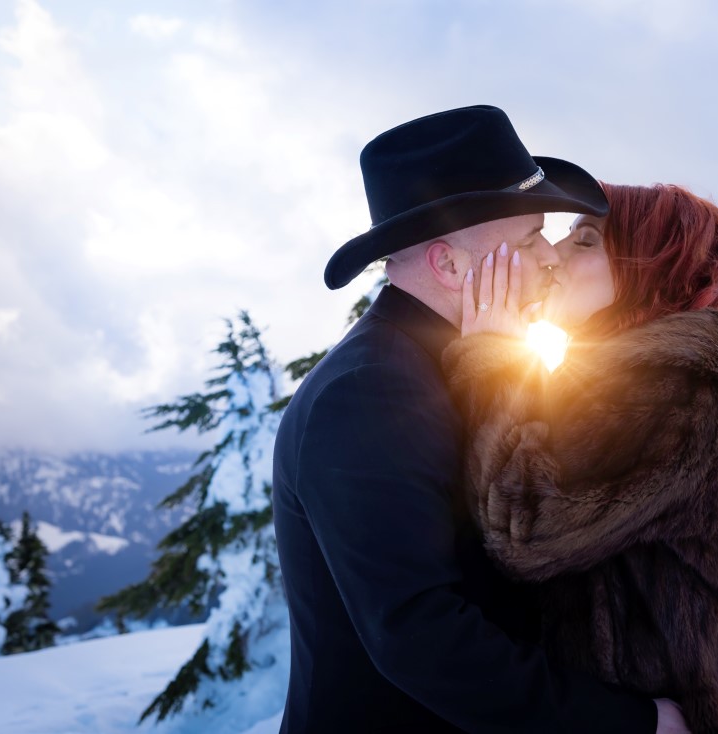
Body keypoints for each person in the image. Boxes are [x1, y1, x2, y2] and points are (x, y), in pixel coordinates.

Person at [273, 106, 688, 732]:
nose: (550, 257)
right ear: (449, 266)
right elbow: (423, 637)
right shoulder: (369, 390)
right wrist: (630, 725)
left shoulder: (464, 365)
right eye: (527, 239)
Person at [442, 183, 718, 733]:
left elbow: (525, 527)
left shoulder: (678, 389)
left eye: (586, 240)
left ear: (648, 267)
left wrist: (489, 367)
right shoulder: (628, 381)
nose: (552, 254)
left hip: (671, 718)